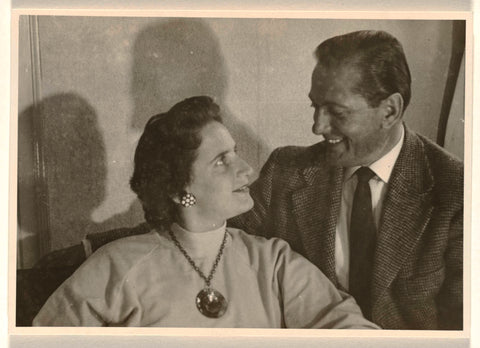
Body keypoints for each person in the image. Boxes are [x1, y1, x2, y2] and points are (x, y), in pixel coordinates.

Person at [32, 96, 378, 328]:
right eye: (221, 161)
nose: (247, 170)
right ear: (180, 188)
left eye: (236, 152)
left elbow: (349, 330)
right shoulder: (117, 266)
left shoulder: (274, 262)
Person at [230, 30, 463, 330]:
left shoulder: (459, 191)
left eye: (336, 112)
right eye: (315, 106)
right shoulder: (284, 171)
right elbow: (213, 243)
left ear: (390, 111)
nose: (317, 126)